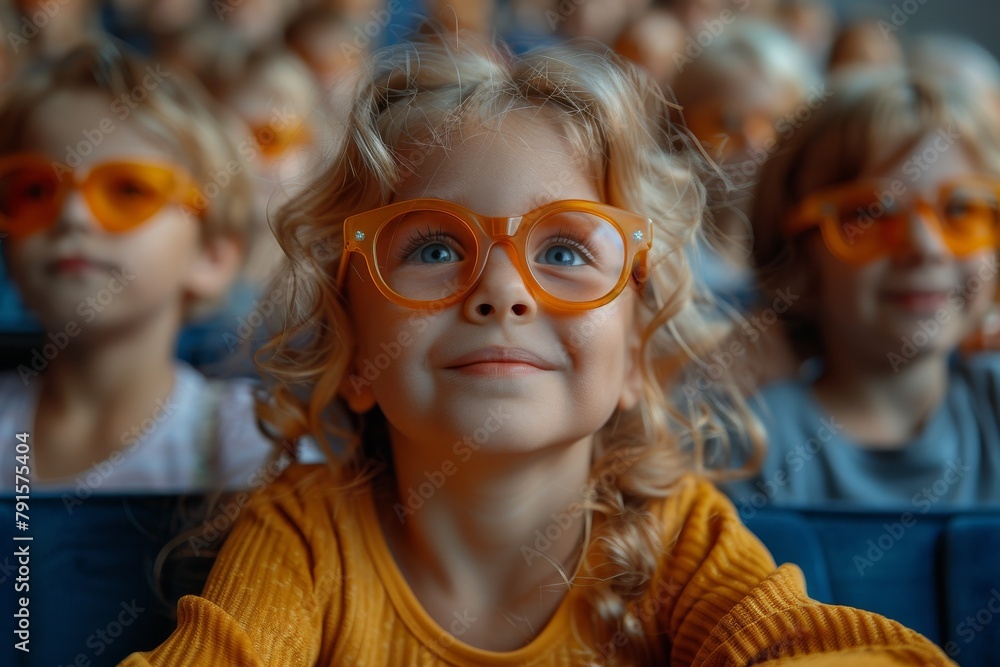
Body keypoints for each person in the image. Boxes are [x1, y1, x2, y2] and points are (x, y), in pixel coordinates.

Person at [121, 35, 951, 665]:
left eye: (563, 252)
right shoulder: (306, 533)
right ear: (355, 348)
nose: (501, 291)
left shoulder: (674, 537)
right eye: (436, 249)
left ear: (632, 354)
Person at [0, 41, 283, 494]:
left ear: (212, 254)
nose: (72, 215)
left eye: (128, 191)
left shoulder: (255, 442)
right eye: (35, 191)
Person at [725, 67, 1000, 507]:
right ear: (798, 255)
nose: (924, 248)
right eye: (869, 214)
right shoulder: (749, 446)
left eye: (961, 209)